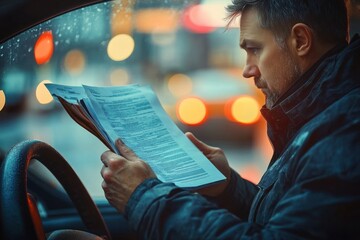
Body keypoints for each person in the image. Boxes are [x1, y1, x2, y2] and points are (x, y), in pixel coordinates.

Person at [100, 0, 360, 239]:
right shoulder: (323, 117)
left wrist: (146, 199)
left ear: (301, 40)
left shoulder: (345, 132)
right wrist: (227, 188)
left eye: (255, 49)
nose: (247, 70)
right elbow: (285, 221)